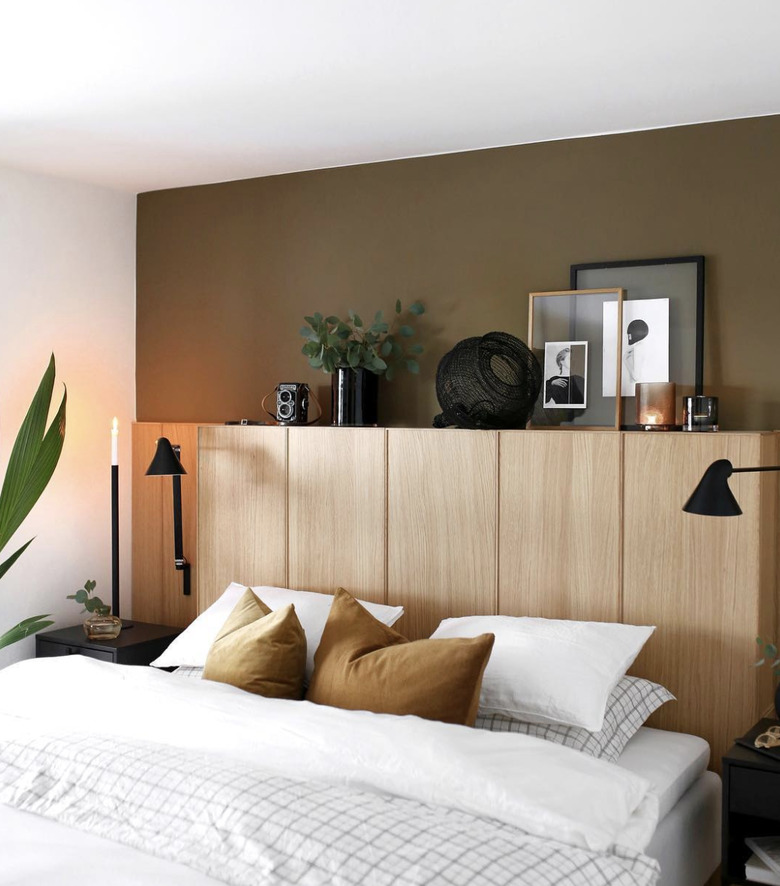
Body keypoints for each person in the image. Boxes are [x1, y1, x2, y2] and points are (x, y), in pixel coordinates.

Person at [623, 319, 649, 394]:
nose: (628, 336)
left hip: (635, 387)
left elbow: (636, 377)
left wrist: (625, 359)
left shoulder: (638, 348)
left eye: (629, 334)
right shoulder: (641, 346)